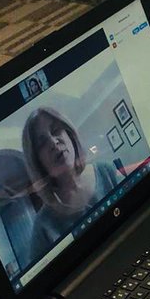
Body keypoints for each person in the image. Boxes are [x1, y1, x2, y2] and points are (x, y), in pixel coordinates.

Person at [22, 107, 120, 260]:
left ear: (69, 134)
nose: (53, 142)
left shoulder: (105, 171)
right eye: (42, 143)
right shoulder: (43, 227)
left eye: (56, 130)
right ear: (37, 161)